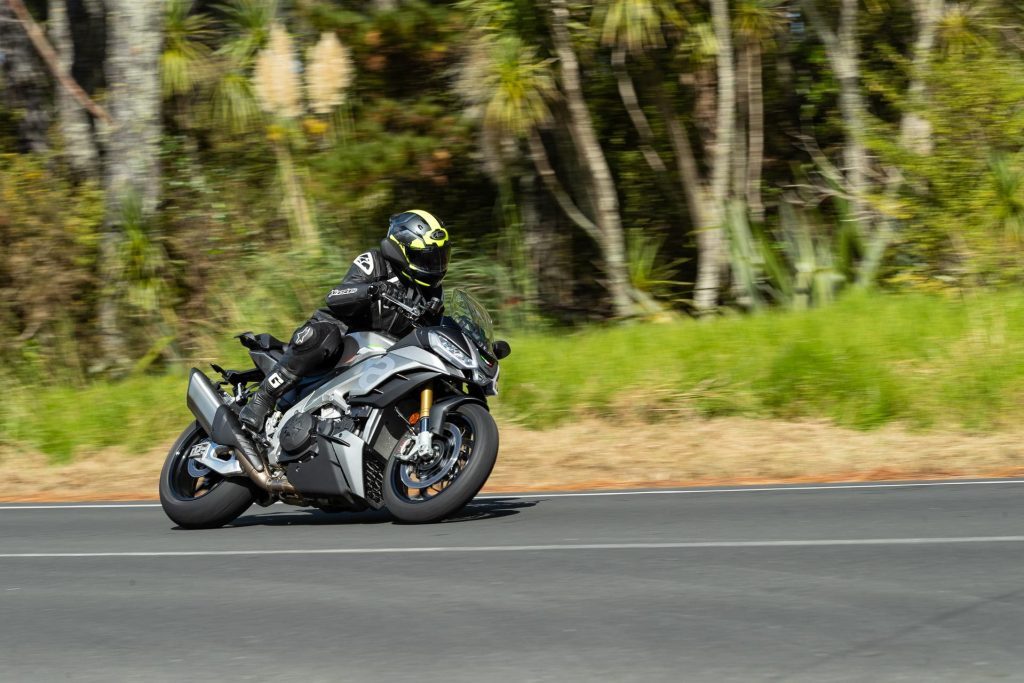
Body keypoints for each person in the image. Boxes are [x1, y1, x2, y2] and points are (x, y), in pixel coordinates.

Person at [239, 209, 451, 432]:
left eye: (439, 257)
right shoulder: (375, 262)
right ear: (402, 249)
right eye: (426, 257)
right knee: (325, 337)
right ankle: (262, 399)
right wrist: (373, 289)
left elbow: (436, 329)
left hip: (381, 357)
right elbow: (335, 295)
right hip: (340, 340)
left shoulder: (433, 293)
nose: (434, 265)